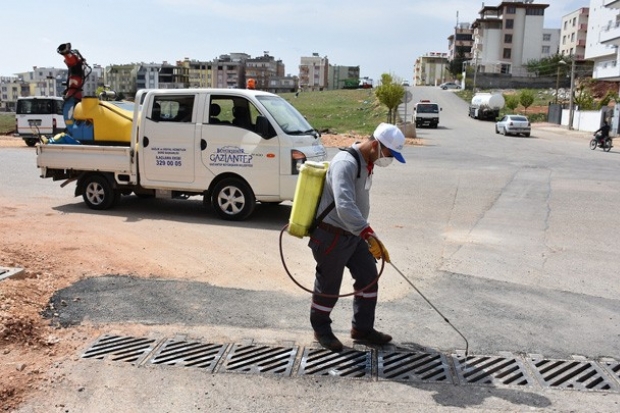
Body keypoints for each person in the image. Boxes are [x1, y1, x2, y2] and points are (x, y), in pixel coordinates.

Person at [308, 122, 406, 351]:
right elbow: (344, 206)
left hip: (352, 235)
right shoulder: (345, 163)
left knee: (368, 276)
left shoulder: (367, 162)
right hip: (331, 235)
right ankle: (321, 330)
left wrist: (364, 233)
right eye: (389, 153)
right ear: (375, 145)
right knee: (329, 286)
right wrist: (368, 233)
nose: (389, 158)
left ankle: (362, 329)